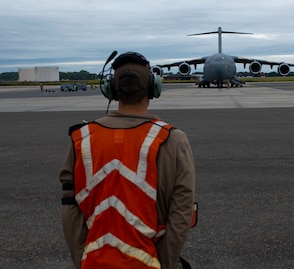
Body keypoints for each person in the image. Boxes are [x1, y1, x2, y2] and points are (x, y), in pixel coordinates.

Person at [59, 51, 195, 269]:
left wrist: (84, 261)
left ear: (110, 90)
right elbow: (181, 213)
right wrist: (165, 263)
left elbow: (70, 210)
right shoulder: (173, 140)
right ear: (154, 87)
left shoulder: (80, 139)